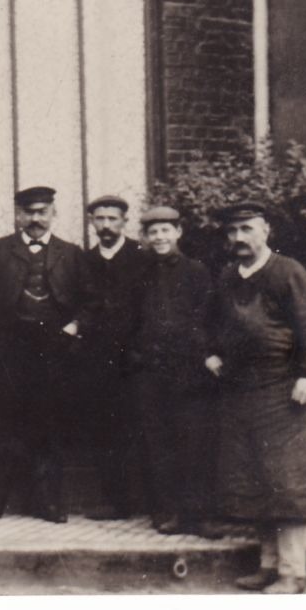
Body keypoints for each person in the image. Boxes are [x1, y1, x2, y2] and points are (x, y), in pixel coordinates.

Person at [206, 202, 306, 594]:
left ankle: (293, 572)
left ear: (266, 230)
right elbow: (213, 323)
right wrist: (211, 352)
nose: (239, 238)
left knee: (285, 478)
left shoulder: (288, 272)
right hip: (242, 389)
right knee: (256, 477)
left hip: (285, 389)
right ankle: (268, 564)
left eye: (247, 229)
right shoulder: (228, 276)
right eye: (232, 232)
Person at [0, 185, 86, 523]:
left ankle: (48, 503)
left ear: (53, 214)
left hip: (54, 350)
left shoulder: (71, 253)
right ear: (19, 214)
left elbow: (90, 301)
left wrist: (76, 325)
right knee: (2, 426)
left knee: (48, 425)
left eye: (42, 211)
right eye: (29, 212)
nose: (35, 218)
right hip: (8, 349)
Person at [126, 207, 221, 538]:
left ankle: (199, 515)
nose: (160, 237)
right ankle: (166, 512)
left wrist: (202, 354)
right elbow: (132, 320)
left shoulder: (197, 271)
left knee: (194, 442)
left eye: (166, 230)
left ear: (178, 232)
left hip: (189, 371)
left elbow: (207, 318)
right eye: (153, 232)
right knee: (159, 443)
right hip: (151, 372)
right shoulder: (140, 273)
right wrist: (138, 355)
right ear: (146, 238)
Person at [75, 194, 144, 520]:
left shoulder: (142, 258)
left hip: (135, 360)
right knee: (104, 429)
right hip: (96, 361)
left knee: (138, 429)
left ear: (124, 222)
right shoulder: (83, 261)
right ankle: (114, 501)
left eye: (112, 219)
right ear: (92, 223)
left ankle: (143, 500)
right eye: (99, 219)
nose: (105, 226)